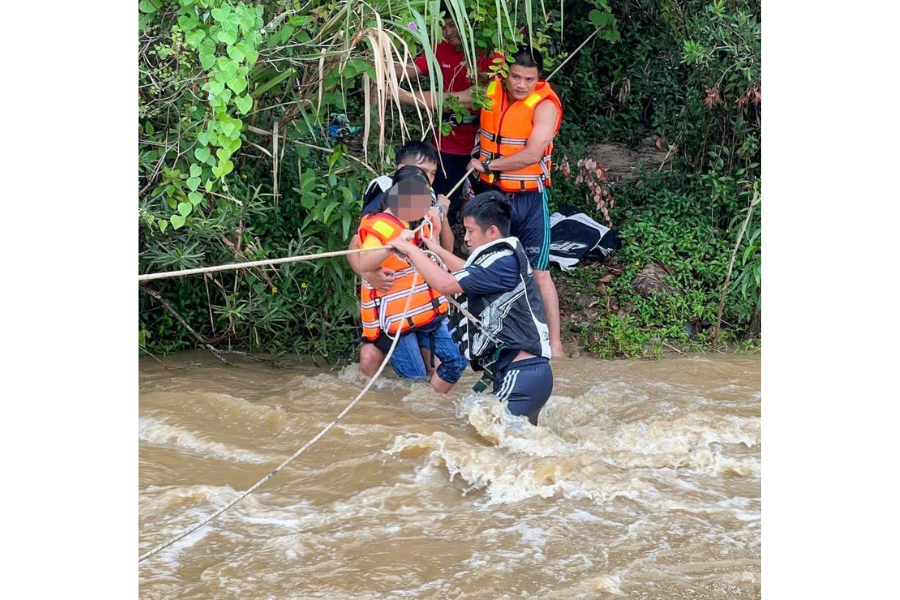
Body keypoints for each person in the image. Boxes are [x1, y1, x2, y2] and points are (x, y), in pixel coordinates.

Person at [391, 191, 553, 425]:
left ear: (492, 232)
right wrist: (431, 247)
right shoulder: (501, 260)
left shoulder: (503, 260)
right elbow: (467, 271)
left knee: (494, 447)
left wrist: (410, 250)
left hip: (522, 374)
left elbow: (446, 283)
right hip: (526, 374)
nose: (466, 238)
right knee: (512, 449)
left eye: (470, 231)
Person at [467, 45, 566, 358]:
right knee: (486, 264)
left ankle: (557, 346)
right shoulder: (491, 91)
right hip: (492, 197)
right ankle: (489, 340)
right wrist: (398, 95)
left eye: (529, 78)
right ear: (505, 74)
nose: (522, 84)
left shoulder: (545, 105)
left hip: (529, 199)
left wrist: (487, 165)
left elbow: (533, 154)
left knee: (539, 272)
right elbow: (450, 100)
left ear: (538, 79)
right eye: (516, 77)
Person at [354, 167, 468, 392]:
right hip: (396, 321)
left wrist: (435, 230)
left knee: (457, 361)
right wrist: (393, 245)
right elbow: (364, 263)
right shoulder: (376, 224)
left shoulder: (420, 221)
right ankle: (420, 412)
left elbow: (438, 257)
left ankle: (432, 405)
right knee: (415, 383)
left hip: (427, 313)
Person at [395, 2, 498, 225]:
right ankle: (439, 253)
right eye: (443, 26)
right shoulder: (439, 46)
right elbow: (411, 68)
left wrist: (402, 96)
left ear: (470, 24)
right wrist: (376, 63)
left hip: (483, 144)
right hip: (446, 142)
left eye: (453, 25)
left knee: (489, 207)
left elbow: (469, 96)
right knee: (442, 204)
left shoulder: (490, 53)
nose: (448, 33)